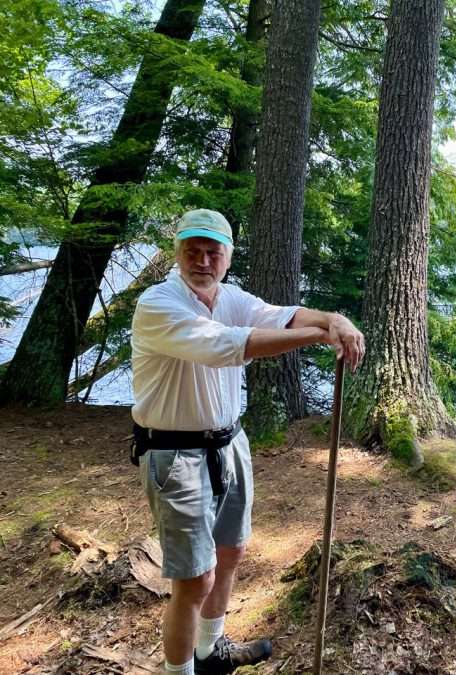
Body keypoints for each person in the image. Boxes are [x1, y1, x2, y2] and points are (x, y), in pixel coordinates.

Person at [130, 209, 364, 675]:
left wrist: (332, 317)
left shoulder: (232, 297)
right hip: (174, 454)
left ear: (228, 257)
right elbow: (225, 346)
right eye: (191, 250)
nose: (202, 260)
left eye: (212, 251)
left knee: (230, 552)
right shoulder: (158, 305)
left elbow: (279, 314)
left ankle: (210, 650)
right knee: (194, 579)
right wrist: (318, 335)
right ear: (176, 254)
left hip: (229, 445)